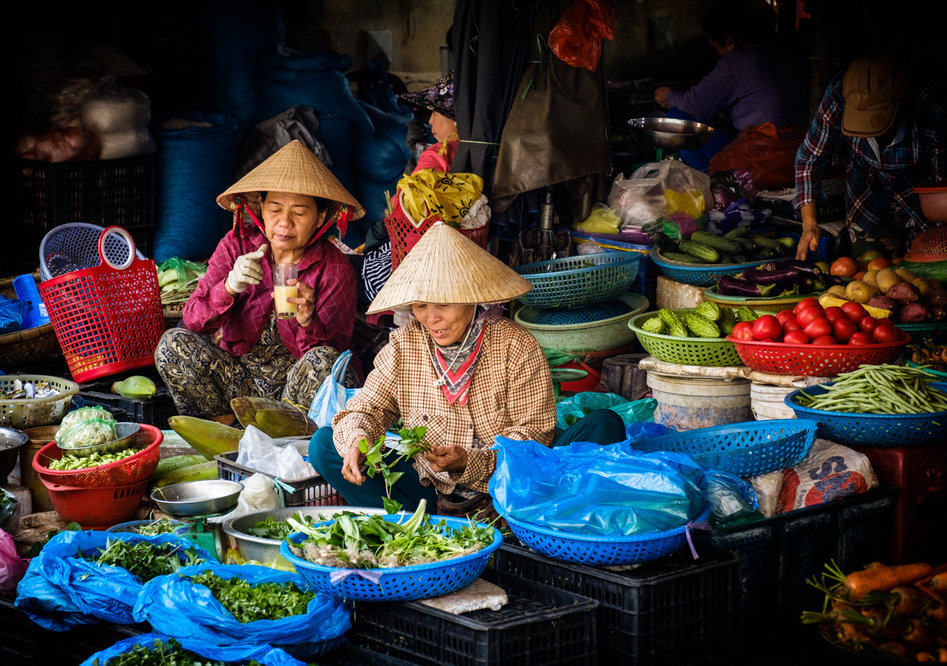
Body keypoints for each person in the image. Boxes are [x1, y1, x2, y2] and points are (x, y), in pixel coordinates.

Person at [309, 222, 626, 519]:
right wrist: (357, 441)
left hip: (509, 491)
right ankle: (413, 527)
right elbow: (369, 407)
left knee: (605, 425)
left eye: (444, 304)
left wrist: (470, 462)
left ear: (471, 298)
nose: (432, 318)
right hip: (428, 491)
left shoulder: (515, 346)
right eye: (420, 305)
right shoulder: (404, 346)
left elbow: (534, 436)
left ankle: (524, 524)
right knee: (325, 445)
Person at [155, 140, 366, 421]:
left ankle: (288, 437)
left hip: (295, 391)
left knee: (324, 362)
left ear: (320, 218)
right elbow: (194, 321)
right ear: (262, 208)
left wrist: (307, 321)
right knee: (172, 344)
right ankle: (225, 430)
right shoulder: (235, 245)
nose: (284, 223)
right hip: (238, 379)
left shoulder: (334, 269)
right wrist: (230, 285)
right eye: (275, 209)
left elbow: (331, 357)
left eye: (300, 212)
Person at [793, 55, 947, 261]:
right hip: (866, 198)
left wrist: (942, 237)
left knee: (925, 276)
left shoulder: (933, 109)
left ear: (902, 101)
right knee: (868, 277)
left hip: (924, 205)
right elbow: (809, 159)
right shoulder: (839, 95)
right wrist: (810, 224)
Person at [653, 0, 807, 171]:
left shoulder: (738, 61)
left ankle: (717, 182)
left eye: (716, 48)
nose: (718, 55)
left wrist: (669, 96)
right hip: (796, 148)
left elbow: (696, 105)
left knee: (677, 117)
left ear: (728, 41)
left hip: (761, 154)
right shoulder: (786, 56)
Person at [360, 73, 462, 309]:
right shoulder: (474, 150)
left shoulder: (438, 153)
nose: (431, 122)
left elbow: (402, 205)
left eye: (436, 113)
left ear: (455, 120)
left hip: (424, 252)